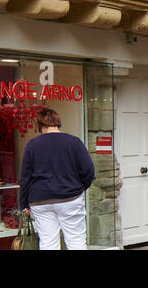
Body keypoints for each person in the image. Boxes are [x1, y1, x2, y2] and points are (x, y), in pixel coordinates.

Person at [19, 107, 96, 250]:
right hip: (70, 197)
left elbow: (25, 178)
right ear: (58, 122)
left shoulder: (32, 145)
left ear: (41, 125)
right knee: (76, 241)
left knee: (48, 242)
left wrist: (23, 203)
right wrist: (79, 188)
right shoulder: (74, 142)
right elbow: (89, 171)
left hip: (40, 200)